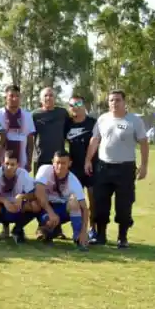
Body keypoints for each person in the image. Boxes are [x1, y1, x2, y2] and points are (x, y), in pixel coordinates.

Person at [84, 90, 149, 248]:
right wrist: (88, 160)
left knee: (124, 205)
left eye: (118, 100)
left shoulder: (134, 121)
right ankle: (100, 236)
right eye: (111, 100)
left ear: (124, 102)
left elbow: (144, 143)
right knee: (100, 203)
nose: (114, 103)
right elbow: (95, 140)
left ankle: (122, 237)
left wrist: (144, 165)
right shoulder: (102, 119)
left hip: (125, 168)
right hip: (103, 167)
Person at [35, 150, 90, 251]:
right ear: (53, 162)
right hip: (45, 208)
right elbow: (38, 192)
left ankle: (78, 237)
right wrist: (50, 212)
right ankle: (46, 232)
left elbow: (85, 209)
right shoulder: (45, 169)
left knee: (74, 201)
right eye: (57, 162)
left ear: (69, 163)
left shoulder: (73, 181)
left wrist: (83, 232)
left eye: (63, 163)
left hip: (61, 209)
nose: (60, 166)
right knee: (49, 221)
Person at [0, 150, 39, 243]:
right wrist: (3, 201)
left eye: (12, 164)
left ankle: (18, 229)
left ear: (18, 165)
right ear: (2, 163)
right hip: (1, 206)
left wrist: (22, 196)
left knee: (35, 206)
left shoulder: (23, 174)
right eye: (7, 163)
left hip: (17, 205)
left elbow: (34, 194)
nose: (9, 167)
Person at [65, 94, 97, 227]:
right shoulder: (67, 124)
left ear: (84, 106)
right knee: (75, 200)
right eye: (72, 105)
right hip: (74, 168)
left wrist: (89, 161)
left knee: (93, 200)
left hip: (91, 167)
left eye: (78, 104)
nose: (75, 108)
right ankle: (78, 230)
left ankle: (93, 228)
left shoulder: (93, 123)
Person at [0, 84, 36, 171]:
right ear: (5, 98)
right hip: (1, 163)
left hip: (22, 163)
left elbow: (30, 141)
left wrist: (29, 162)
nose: (15, 98)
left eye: (17, 96)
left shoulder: (27, 115)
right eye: (11, 96)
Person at [32, 86, 68, 171]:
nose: (48, 98)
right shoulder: (34, 115)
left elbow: (67, 132)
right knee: (39, 183)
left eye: (51, 95)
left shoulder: (62, 113)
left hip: (59, 158)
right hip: (40, 158)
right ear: (41, 99)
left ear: (55, 98)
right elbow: (30, 137)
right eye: (45, 95)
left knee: (58, 183)